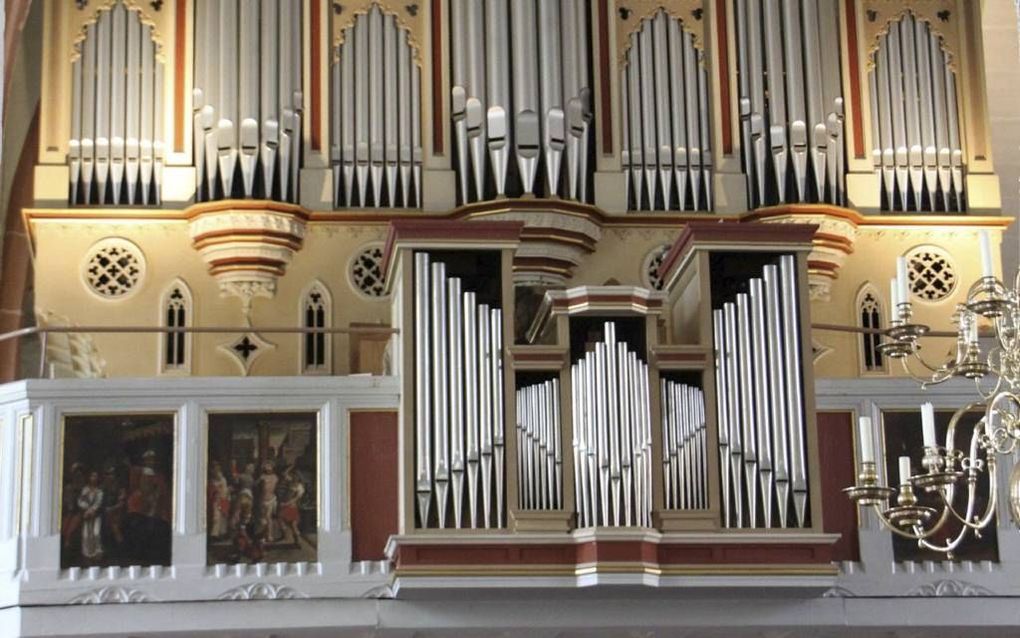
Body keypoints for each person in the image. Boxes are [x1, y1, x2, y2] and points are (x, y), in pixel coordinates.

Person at [77, 471, 104, 561]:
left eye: (95, 476)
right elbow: (80, 501)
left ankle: (97, 552)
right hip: (86, 514)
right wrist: (86, 509)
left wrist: (92, 510)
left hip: (96, 515)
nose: (93, 478)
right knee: (86, 534)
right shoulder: (85, 489)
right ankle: (87, 554)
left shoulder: (99, 491)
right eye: (92, 476)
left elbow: (98, 503)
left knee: (96, 533)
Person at [277, 467, 305, 545]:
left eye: (296, 476)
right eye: (294, 475)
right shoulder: (290, 481)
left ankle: (297, 541)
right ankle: (285, 536)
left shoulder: (300, 487)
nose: (294, 477)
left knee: (293, 524)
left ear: (299, 477)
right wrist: (291, 467)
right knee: (280, 520)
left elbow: (295, 499)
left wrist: (286, 503)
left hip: (291, 506)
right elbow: (284, 474)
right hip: (285, 504)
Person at [255, 461, 279, 543]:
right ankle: (263, 536)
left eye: (269, 467)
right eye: (266, 467)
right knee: (263, 518)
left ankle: (269, 535)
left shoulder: (275, 477)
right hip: (263, 499)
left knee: (268, 518)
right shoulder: (262, 477)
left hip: (271, 499)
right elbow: (256, 484)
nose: (268, 468)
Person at [207, 462, 231, 539]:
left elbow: (225, 490)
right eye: (215, 469)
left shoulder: (223, 480)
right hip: (215, 500)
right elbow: (212, 491)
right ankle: (214, 534)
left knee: (223, 517)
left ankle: (222, 533)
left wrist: (226, 494)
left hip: (223, 499)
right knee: (216, 517)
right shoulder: (212, 481)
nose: (217, 472)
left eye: (218, 470)